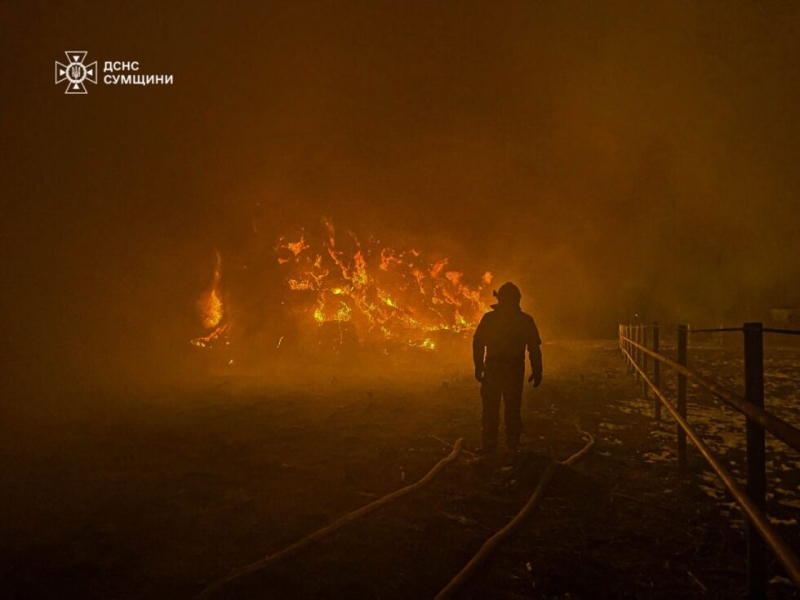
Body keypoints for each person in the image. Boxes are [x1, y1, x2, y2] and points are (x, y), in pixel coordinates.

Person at [472, 282, 543, 455]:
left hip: (495, 369)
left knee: (492, 408)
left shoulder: (490, 319)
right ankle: (512, 445)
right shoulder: (525, 320)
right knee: (511, 408)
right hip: (513, 369)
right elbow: (534, 348)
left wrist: (479, 366)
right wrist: (537, 370)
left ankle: (491, 446)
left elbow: (478, 343)